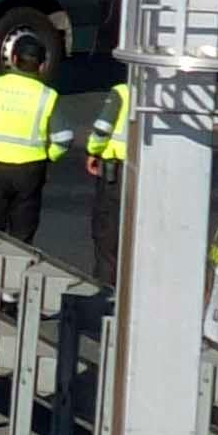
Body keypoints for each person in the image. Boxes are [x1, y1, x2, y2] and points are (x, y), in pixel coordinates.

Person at [0, 32, 66, 240]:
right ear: (41, 65)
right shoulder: (47, 96)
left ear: (13, 59)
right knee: (22, 232)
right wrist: (50, 155)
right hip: (29, 171)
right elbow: (63, 138)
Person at [79, 69, 133, 286]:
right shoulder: (167, 97)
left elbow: (102, 129)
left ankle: (105, 292)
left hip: (117, 174)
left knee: (107, 238)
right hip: (152, 174)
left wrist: (93, 151)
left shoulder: (123, 92)